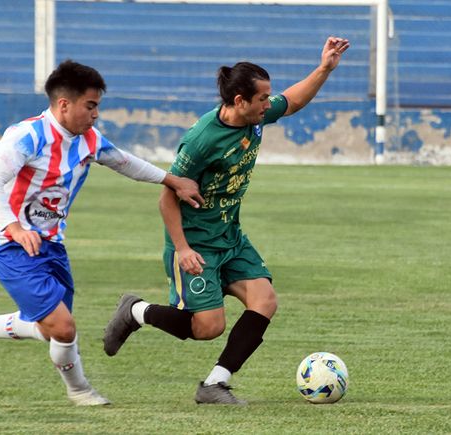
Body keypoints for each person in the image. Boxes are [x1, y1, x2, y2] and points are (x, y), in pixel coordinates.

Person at [103, 37, 350, 405]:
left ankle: (214, 385)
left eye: (268, 98)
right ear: (239, 101)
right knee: (208, 328)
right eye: (263, 99)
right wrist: (183, 248)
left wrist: (324, 68)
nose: (269, 105)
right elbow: (166, 197)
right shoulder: (202, 140)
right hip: (196, 241)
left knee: (264, 300)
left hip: (230, 236)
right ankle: (136, 311)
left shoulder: (257, 115)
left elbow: (294, 100)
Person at [0, 60, 203, 406]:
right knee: (64, 328)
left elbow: (125, 162)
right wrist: (15, 228)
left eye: (97, 106)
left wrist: (172, 180)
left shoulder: (89, 140)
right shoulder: (29, 137)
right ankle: (80, 390)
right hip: (9, 245)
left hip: (51, 246)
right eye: (91, 105)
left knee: (48, 329)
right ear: (64, 104)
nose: (96, 114)